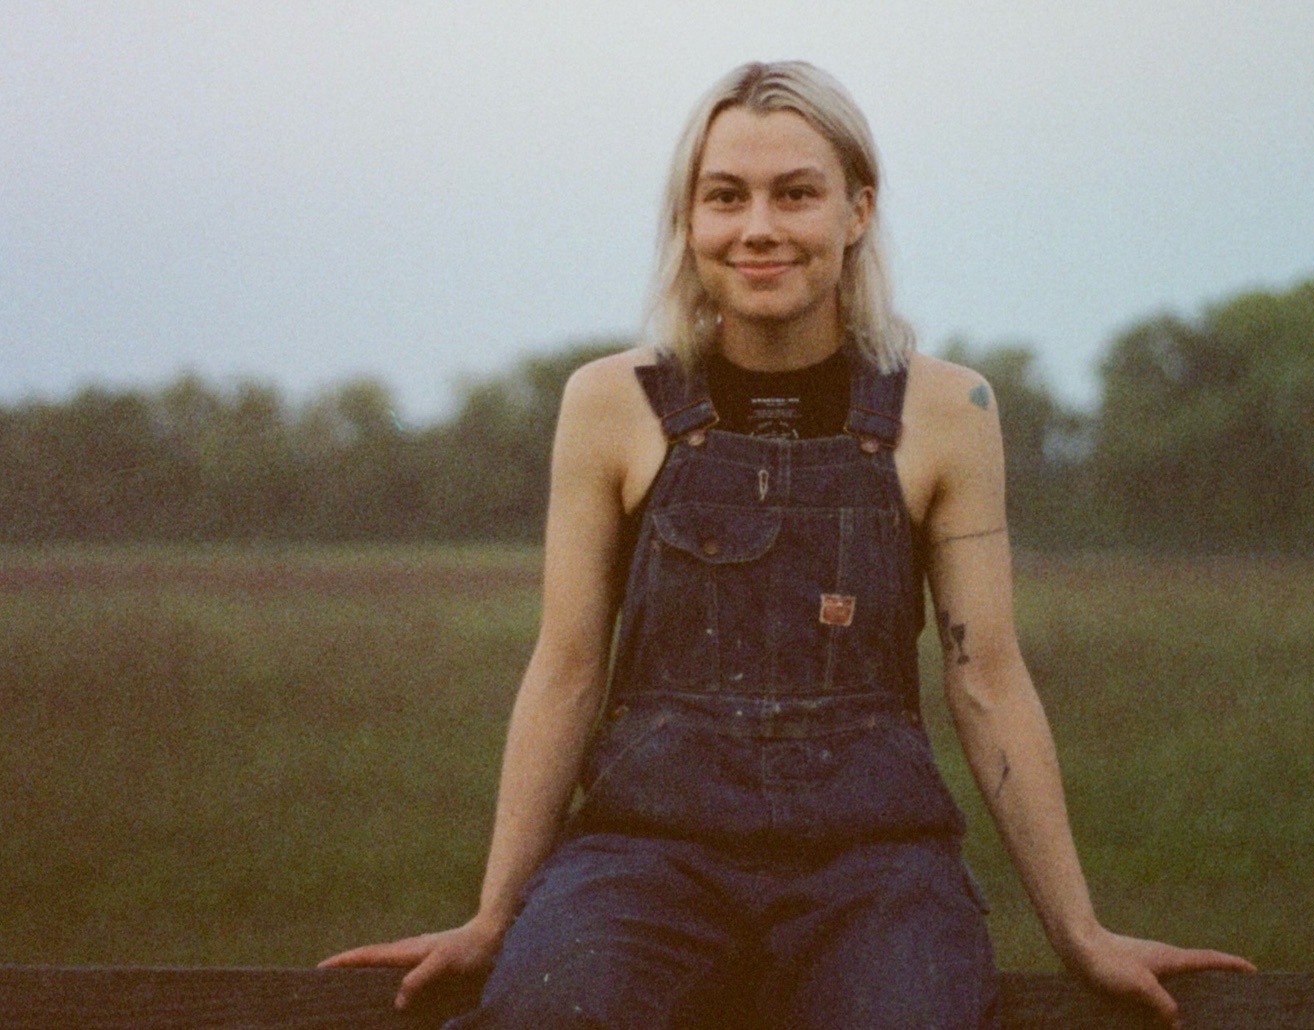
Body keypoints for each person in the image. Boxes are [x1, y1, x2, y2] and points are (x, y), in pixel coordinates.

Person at [321, 60, 1254, 1028]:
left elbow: (988, 677)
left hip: (875, 868)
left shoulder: (947, 410)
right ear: (688, 220)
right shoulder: (611, 403)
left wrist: (1080, 930)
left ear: (856, 211)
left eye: (796, 194)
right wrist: (493, 917)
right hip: (645, 855)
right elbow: (564, 668)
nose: (758, 227)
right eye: (725, 196)